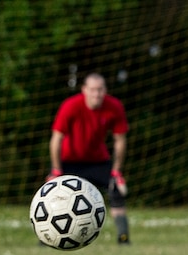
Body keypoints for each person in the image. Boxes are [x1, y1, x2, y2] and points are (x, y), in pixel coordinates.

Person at [48, 73, 131, 244]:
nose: (97, 94)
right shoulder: (71, 106)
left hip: (97, 161)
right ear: (84, 90)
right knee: (52, 195)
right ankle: (47, 238)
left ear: (105, 90)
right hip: (69, 161)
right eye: (93, 90)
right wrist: (56, 171)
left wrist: (116, 171)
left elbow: (120, 140)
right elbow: (56, 139)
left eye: (100, 90)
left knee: (116, 189)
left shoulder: (113, 106)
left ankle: (123, 237)